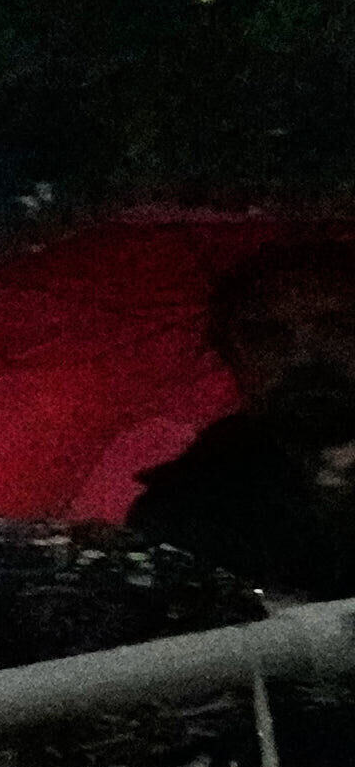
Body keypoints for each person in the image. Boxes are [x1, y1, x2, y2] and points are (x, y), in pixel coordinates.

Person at [115, 238, 355, 600]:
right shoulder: (185, 507)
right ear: (232, 356)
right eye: (266, 336)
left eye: (338, 327)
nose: (303, 355)